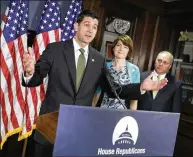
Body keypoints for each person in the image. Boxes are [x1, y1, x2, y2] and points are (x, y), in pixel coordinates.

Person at [22, 10, 167, 157]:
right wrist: (29, 73)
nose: (90, 30)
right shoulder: (55, 49)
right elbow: (38, 76)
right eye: (87, 25)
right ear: (76, 26)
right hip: (50, 126)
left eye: (95, 27)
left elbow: (114, 89)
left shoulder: (98, 59)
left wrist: (141, 87)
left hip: (78, 131)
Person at [96, 35, 140, 110]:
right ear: (113, 48)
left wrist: (132, 115)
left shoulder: (134, 70)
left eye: (125, 47)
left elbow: (134, 98)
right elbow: (97, 92)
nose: (121, 49)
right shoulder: (104, 66)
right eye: (118, 45)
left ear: (129, 51)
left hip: (123, 114)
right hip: (103, 110)